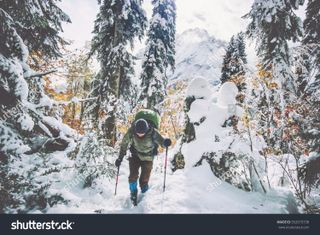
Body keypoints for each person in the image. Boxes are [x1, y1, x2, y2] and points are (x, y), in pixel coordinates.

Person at [115, 118, 172, 205]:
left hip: (148, 158)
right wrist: (120, 158)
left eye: (142, 133)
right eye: (138, 133)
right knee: (132, 177)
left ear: (146, 130)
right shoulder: (132, 131)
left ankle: (145, 198)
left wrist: (166, 143)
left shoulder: (152, 132)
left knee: (144, 180)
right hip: (135, 156)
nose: (140, 135)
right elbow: (124, 144)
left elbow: (161, 142)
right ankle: (133, 195)